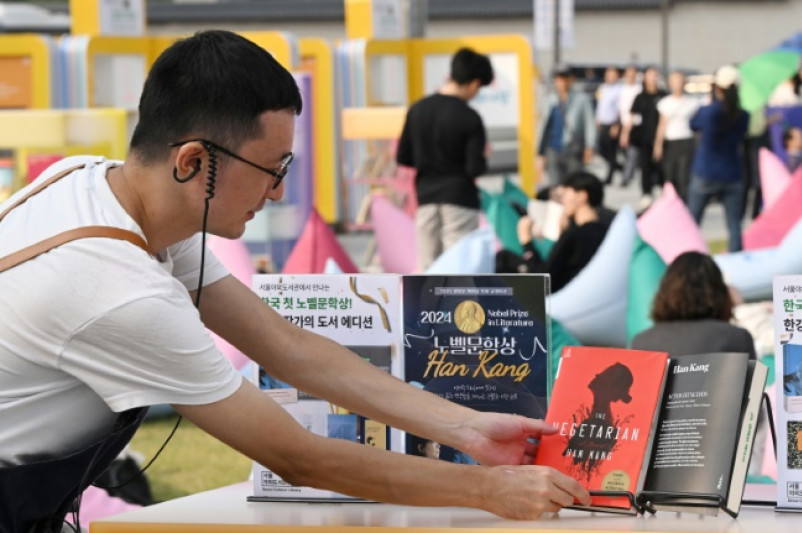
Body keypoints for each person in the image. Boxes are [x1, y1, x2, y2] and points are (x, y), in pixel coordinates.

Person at [0, 31, 590, 532]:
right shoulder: (116, 291)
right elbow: (298, 456)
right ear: (191, 163)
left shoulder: (94, 183)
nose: (278, 191)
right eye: (271, 169)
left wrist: (468, 428)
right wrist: (489, 492)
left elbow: (286, 346)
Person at [396, 48, 493, 271]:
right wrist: (483, 156)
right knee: (458, 265)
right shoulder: (470, 117)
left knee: (426, 264)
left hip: (426, 196)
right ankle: (455, 307)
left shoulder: (418, 109)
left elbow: (403, 156)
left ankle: (420, 306)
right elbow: (473, 168)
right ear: (474, 83)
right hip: (459, 199)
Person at [495, 171, 609, 293]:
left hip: (559, 298)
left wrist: (526, 241)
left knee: (504, 258)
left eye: (565, 194)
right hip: (585, 292)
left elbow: (544, 279)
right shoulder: (604, 230)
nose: (563, 201)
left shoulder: (575, 235)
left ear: (582, 196)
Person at [630, 251, 755, 358]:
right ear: (719, 291)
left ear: (665, 292)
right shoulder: (737, 339)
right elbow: (752, 386)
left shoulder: (641, 343)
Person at [687, 65, 750, 253]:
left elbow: (693, 124)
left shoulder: (709, 111)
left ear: (717, 88)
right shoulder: (743, 115)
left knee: (692, 223)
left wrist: (709, 101)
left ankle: (689, 261)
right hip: (732, 174)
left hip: (705, 172)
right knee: (734, 226)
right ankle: (738, 267)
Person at [537, 65, 596, 188]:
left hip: (572, 149)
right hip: (553, 149)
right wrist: (540, 153)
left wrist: (590, 146)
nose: (561, 82)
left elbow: (590, 124)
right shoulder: (549, 99)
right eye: (558, 79)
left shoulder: (582, 99)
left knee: (574, 186)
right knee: (556, 186)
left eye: (564, 78)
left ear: (571, 79)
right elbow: (544, 127)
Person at [622, 65, 668, 209]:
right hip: (644, 137)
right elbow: (632, 115)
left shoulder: (663, 95)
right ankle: (646, 193)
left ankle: (664, 190)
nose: (653, 78)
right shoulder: (640, 96)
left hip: (663, 137)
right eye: (650, 75)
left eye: (655, 75)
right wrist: (625, 133)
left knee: (662, 166)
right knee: (645, 167)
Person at [653, 70, 699, 201]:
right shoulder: (665, 103)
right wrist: (658, 144)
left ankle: (683, 202)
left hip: (686, 140)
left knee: (683, 174)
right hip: (670, 141)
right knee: (669, 173)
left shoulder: (693, 102)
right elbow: (662, 125)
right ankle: (669, 201)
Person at [594, 66, 623, 185]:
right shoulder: (603, 88)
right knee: (601, 148)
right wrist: (597, 119)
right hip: (603, 123)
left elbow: (620, 109)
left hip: (612, 123)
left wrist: (617, 125)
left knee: (612, 151)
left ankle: (610, 176)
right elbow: (600, 105)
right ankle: (617, 166)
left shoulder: (620, 90)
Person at [617, 64, 642, 187]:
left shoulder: (639, 89)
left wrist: (627, 129)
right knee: (627, 153)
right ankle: (630, 172)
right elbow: (620, 109)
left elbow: (635, 111)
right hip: (623, 123)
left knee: (632, 153)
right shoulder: (622, 89)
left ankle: (626, 177)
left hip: (635, 125)